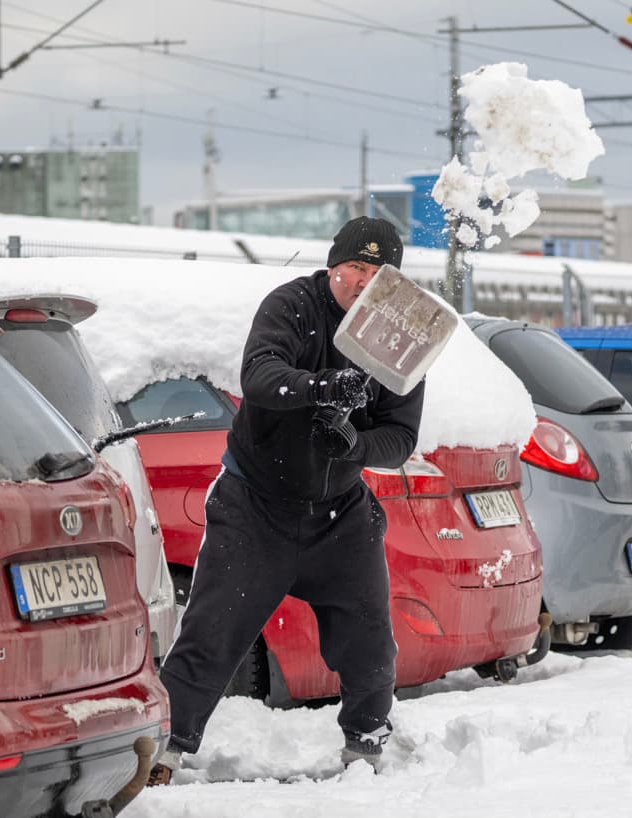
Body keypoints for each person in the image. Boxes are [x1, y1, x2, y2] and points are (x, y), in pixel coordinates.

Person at [149, 217, 425, 786]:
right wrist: (321, 388)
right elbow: (259, 375)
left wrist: (355, 445)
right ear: (333, 267)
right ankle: (165, 750)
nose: (360, 282)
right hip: (256, 504)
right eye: (353, 268)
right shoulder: (293, 305)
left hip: (338, 511)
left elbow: (400, 438)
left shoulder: (399, 332)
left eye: (376, 275)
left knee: (371, 643)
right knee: (211, 632)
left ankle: (366, 746)